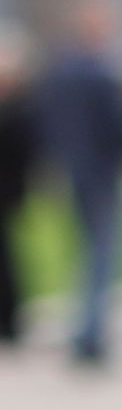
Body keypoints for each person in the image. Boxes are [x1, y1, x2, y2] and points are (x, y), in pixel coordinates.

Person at [37, 0, 122, 367]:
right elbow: (120, 127)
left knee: (82, 253)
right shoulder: (102, 72)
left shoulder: (60, 70)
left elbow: (46, 122)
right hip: (102, 173)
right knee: (103, 254)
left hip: (72, 172)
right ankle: (93, 335)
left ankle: (83, 328)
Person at [0, 24, 37, 347]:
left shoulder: (18, 109)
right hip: (11, 190)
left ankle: (11, 319)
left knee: (8, 258)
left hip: (7, 191)